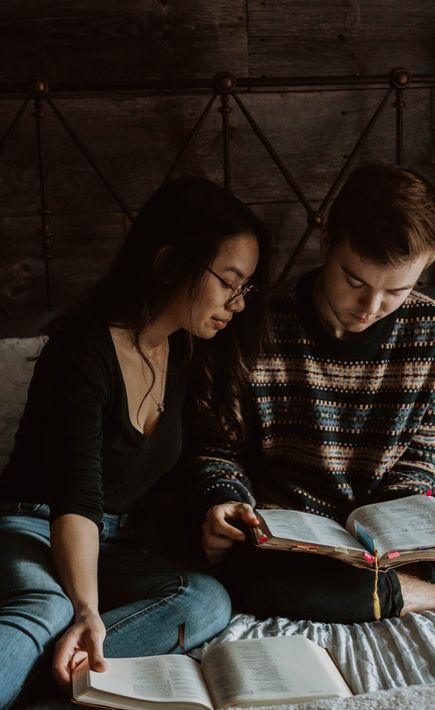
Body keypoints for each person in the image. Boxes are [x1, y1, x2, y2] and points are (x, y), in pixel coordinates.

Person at [0, 176, 271, 709]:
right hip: (33, 521)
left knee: (204, 599)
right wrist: (84, 608)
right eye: (229, 282)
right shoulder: (81, 351)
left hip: (111, 542)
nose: (238, 304)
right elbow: (76, 496)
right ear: (172, 261)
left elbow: (200, 455)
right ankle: (58, 654)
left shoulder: (188, 353)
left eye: (247, 288)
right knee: (50, 609)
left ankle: (40, 679)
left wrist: (220, 503)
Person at [188, 162, 435, 624]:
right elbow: (218, 445)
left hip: (389, 526)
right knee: (248, 572)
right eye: (355, 281)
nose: (370, 307)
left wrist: (391, 530)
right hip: (291, 537)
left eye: (396, 290)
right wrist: (225, 500)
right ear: (325, 244)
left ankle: (391, 580)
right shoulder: (255, 323)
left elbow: (427, 456)